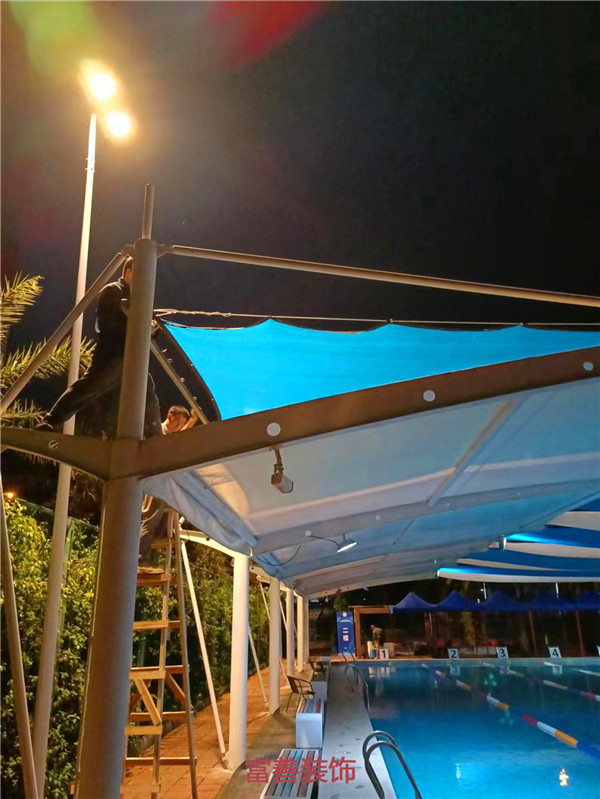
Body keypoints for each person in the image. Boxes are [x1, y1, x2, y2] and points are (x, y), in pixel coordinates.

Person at [37, 257, 161, 438]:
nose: (144, 281)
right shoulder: (112, 290)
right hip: (112, 354)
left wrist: (150, 328)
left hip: (133, 358)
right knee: (90, 387)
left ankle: (155, 436)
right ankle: (50, 421)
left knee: (148, 394)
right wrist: (138, 325)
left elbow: (151, 329)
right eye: (141, 274)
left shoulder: (140, 298)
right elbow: (107, 323)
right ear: (128, 272)